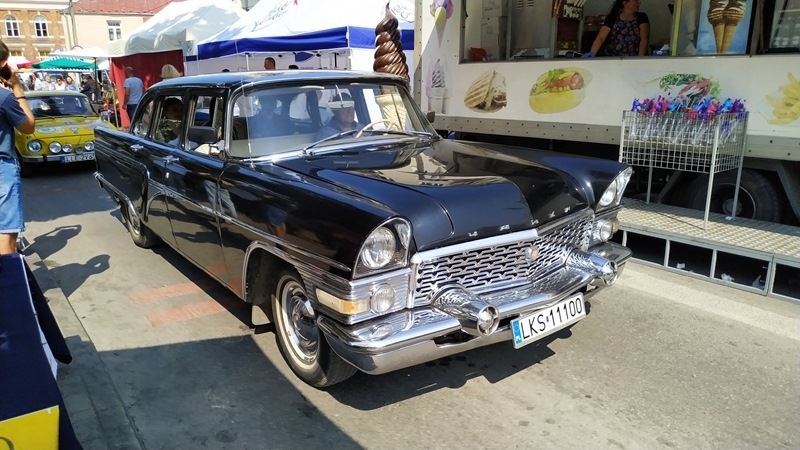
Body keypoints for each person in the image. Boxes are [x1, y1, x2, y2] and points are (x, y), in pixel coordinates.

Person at [0, 42, 36, 254]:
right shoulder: (4, 98)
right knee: (6, 234)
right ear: (3, 63)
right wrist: (17, 88)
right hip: (2, 168)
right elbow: (28, 126)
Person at [584, 0, 650, 57]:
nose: (639, 2)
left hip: (633, 59)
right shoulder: (613, 17)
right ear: (625, 2)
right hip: (614, 59)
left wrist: (639, 59)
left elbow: (644, 39)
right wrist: (592, 52)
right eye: (636, 0)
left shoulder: (641, 17)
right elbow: (601, 37)